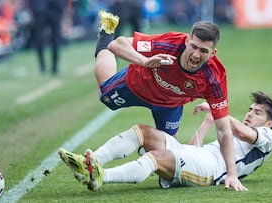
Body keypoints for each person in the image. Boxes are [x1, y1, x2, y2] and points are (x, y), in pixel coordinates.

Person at [93, 11, 243, 190]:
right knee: (105, 93)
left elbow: (224, 131)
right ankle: (106, 30)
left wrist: (232, 174)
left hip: (170, 104)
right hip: (139, 84)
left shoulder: (215, 79)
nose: (195, 55)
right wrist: (144, 61)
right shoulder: (170, 43)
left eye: (203, 51)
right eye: (193, 47)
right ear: (187, 41)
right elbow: (117, 45)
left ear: (213, 53)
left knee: (168, 152)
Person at [58, 91, 272, 192]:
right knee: (144, 131)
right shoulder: (232, 130)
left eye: (258, 113)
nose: (250, 113)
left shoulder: (268, 137)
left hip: (210, 172)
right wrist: (207, 123)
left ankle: (101, 177)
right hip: (199, 159)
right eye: (250, 109)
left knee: (156, 158)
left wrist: (219, 111)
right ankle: (91, 161)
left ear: (269, 123)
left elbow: (244, 133)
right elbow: (194, 150)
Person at [28, 0, 65, 75]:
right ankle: (45, 67)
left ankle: (51, 67)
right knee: (41, 39)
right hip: (43, 8)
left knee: (54, 38)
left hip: (49, 7)